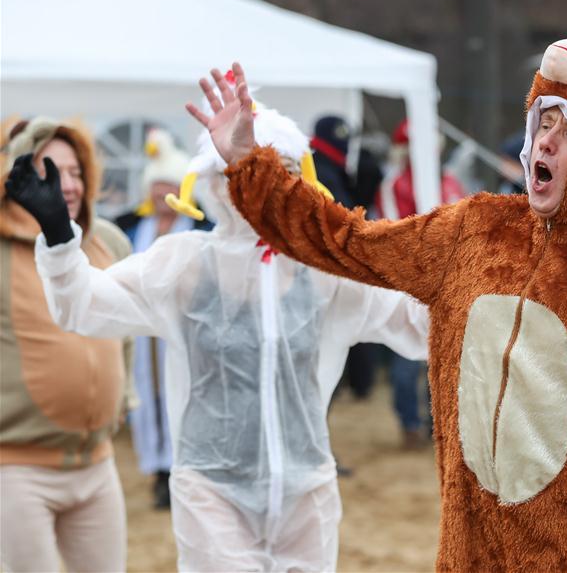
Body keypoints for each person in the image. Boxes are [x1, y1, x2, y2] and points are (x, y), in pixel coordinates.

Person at [199, 45, 567, 573]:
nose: (545, 140)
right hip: (471, 557)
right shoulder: (472, 231)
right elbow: (345, 241)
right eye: (543, 121)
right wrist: (250, 167)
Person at [6, 101, 430, 572]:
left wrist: (464, 274)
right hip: (211, 494)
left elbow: (416, 323)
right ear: (214, 180)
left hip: (305, 493)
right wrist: (60, 239)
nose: (262, 182)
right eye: (242, 168)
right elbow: (82, 306)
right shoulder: (184, 265)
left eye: (278, 168)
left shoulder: (324, 272)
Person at [1, 118, 133, 573]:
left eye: (76, 172)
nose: (68, 185)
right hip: (15, 469)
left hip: (96, 466)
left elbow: (126, 329)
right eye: (52, 172)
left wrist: (125, 395)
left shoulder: (107, 243)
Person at [115, 127, 213, 510]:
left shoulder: (202, 228)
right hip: (142, 334)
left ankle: (186, 471)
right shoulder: (131, 227)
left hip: (187, 330)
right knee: (149, 396)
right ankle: (159, 472)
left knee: (186, 394)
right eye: (156, 186)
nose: (162, 194)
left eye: (169, 186)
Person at [375, 119, 465, 448]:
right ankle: (409, 424)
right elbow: (392, 231)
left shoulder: (450, 181)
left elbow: (462, 224)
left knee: (445, 358)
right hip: (410, 283)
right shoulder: (395, 185)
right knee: (406, 357)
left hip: (449, 283)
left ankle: (437, 425)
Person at [311, 114, 384, 400]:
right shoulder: (320, 168)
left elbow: (353, 207)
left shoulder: (332, 167)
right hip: (325, 265)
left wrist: (367, 177)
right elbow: (343, 214)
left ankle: (356, 382)